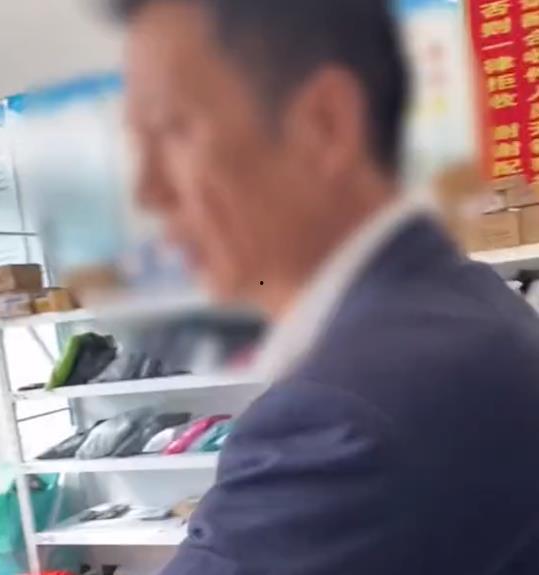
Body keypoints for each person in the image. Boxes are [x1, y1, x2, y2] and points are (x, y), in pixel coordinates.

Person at [116, 0, 539, 573]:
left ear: (325, 124)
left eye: (174, 129)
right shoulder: (469, 297)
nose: (146, 190)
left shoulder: (336, 415)